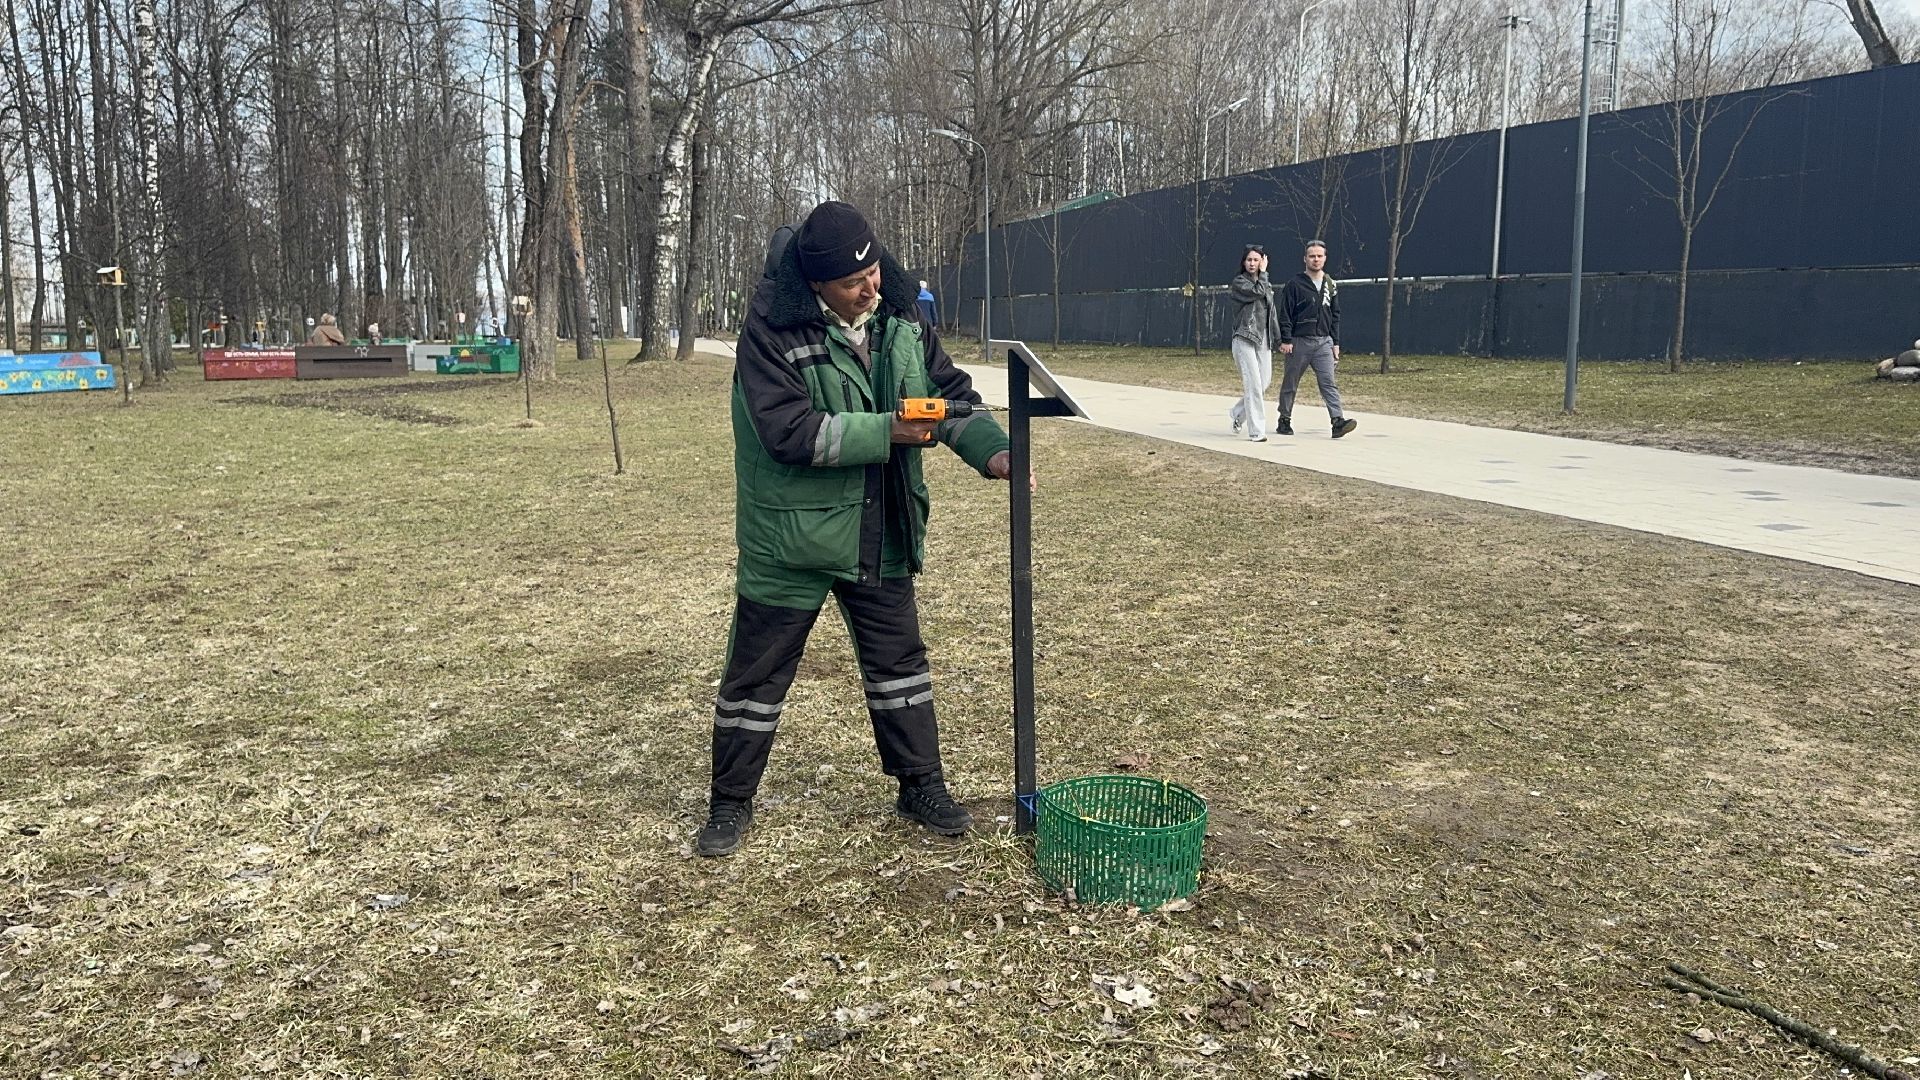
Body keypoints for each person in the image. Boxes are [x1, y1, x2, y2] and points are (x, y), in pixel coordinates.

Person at [699, 200, 1022, 859]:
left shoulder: (903, 313)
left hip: (881, 522)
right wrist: (888, 431)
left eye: (873, 271)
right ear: (817, 284)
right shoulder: (770, 327)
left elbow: (948, 395)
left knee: (899, 665)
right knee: (757, 676)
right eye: (853, 282)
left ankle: (920, 786)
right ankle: (730, 801)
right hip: (790, 538)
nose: (870, 287)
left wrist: (994, 453)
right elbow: (788, 432)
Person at [1276, 240, 1356, 438]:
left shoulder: (1330, 284)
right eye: (1312, 256)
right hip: (1299, 341)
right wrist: (1286, 340)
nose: (1316, 259)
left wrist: (1335, 342)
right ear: (1305, 259)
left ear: (1325, 258)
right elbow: (1285, 314)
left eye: (1319, 256)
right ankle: (1284, 419)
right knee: (1291, 382)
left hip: (1323, 341)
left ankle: (1337, 421)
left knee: (1328, 381)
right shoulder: (1294, 284)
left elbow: (1335, 315)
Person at [1225, 245, 1279, 443]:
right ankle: (1257, 431)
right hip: (1244, 336)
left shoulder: (1266, 284)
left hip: (1263, 337)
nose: (1252, 263)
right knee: (1253, 384)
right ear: (1243, 262)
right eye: (1249, 260)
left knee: (1264, 382)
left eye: (1256, 260)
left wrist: (1278, 338)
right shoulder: (1240, 282)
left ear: (1262, 261)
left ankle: (1238, 413)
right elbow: (1257, 292)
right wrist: (1264, 273)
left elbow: (1272, 313)